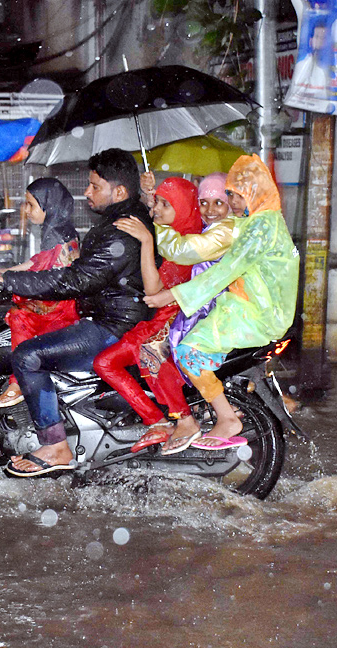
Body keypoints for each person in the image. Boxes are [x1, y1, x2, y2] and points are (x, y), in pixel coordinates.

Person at [0, 148, 152, 477]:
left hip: (114, 325)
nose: (87, 192)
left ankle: (56, 446)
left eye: (94, 186)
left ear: (120, 192)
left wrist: (11, 280)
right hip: (111, 316)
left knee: (28, 356)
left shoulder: (121, 230)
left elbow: (78, 278)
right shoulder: (121, 220)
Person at [143, 155, 299, 450]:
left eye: (237, 196)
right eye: (231, 194)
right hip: (244, 305)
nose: (233, 202)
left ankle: (225, 418)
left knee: (189, 351)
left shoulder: (261, 227)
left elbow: (225, 270)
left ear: (255, 194)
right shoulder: (255, 222)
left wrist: (173, 295)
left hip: (257, 312)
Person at [96, 177, 203, 454]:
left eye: (166, 205)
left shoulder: (188, 247)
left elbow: (153, 288)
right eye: (158, 203)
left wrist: (145, 240)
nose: (157, 210)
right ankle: (156, 420)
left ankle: (183, 419)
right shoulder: (174, 238)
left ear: (183, 208)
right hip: (158, 317)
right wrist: (147, 195)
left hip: (175, 321)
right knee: (105, 363)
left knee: (144, 354)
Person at [141, 171, 239, 453]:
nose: (210, 210)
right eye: (204, 202)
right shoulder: (207, 227)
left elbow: (183, 251)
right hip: (199, 304)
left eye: (218, 202)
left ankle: (190, 419)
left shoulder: (226, 230)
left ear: (230, 202)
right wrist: (153, 200)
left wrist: (155, 230)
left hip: (212, 308)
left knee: (166, 351)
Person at [0, 178, 80, 409]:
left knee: (19, 317)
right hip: (58, 302)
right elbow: (38, 262)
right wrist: (5, 272)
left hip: (61, 310)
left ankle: (17, 382)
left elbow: (51, 279)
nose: (26, 210)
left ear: (48, 206)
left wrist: (8, 279)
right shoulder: (57, 229)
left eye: (31, 205)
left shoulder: (59, 235)